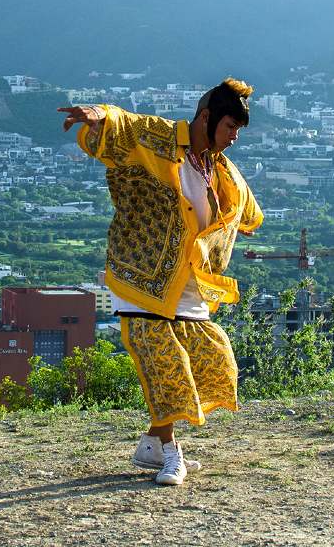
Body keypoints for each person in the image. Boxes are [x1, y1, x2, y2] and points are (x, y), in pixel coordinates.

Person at [59, 78, 263, 485]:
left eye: (238, 130)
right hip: (142, 274)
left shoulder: (223, 171)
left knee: (215, 360)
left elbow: (247, 212)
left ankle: (151, 444)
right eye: (230, 128)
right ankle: (172, 455)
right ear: (206, 118)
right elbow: (123, 123)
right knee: (167, 367)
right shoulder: (158, 139)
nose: (234, 138)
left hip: (189, 284)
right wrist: (98, 115)